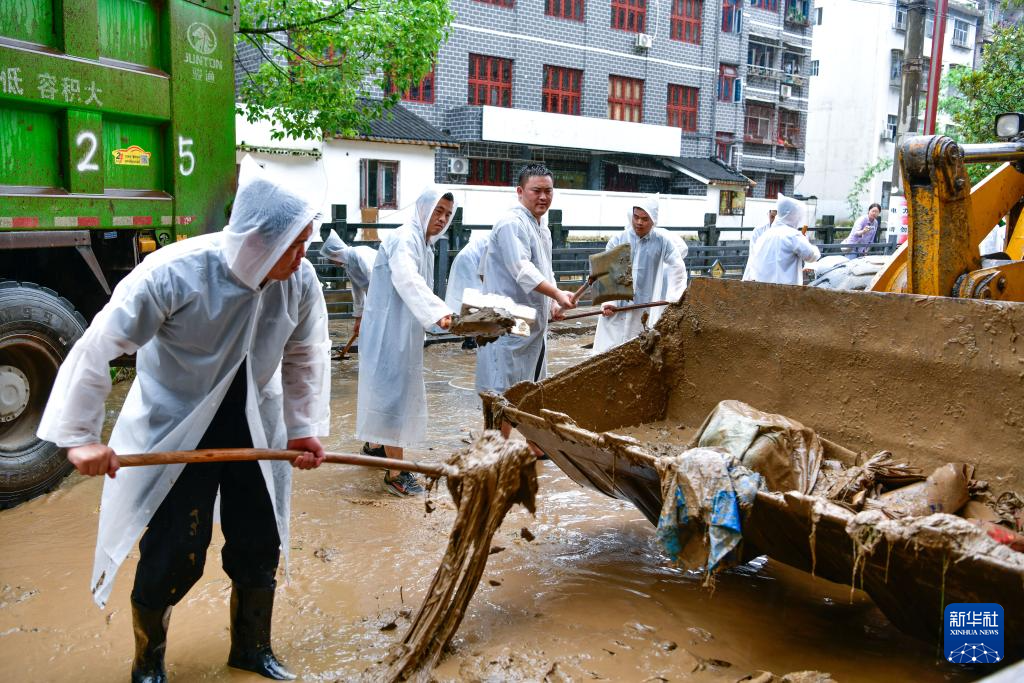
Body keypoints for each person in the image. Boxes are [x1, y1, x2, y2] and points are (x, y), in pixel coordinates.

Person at [36, 156, 331, 682]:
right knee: (176, 551)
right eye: (294, 242)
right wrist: (80, 436)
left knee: (259, 540)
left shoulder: (299, 278)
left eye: (306, 240)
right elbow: (99, 345)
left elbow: (306, 353)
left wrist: (304, 426)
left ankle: (251, 650)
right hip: (179, 427)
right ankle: (147, 665)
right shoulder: (175, 272)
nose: (303, 254)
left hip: (256, 428)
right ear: (256, 240)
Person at [355, 187, 457, 496]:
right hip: (389, 333)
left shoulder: (423, 243)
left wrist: (437, 313)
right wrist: (438, 311)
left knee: (385, 392)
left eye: (448, 215)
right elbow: (407, 278)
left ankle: (374, 448)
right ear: (424, 208)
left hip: (399, 330)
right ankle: (396, 474)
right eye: (438, 211)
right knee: (393, 397)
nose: (442, 219)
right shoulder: (405, 237)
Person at [475, 164, 576, 409]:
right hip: (508, 320)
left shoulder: (542, 227)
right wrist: (555, 293)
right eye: (536, 190)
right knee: (502, 390)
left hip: (530, 322)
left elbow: (544, 270)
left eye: (548, 191)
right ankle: (497, 446)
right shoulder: (512, 223)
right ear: (520, 191)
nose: (543, 197)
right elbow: (521, 268)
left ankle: (533, 447)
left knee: (531, 387)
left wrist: (553, 302)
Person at [592, 197, 688, 354]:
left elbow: (677, 266)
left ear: (653, 220)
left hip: (644, 305)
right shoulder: (618, 240)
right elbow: (606, 272)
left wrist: (675, 297)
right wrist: (608, 301)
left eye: (645, 219)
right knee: (608, 348)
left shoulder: (662, 241)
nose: (639, 222)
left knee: (638, 345)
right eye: (636, 217)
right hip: (617, 306)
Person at [742, 194, 821, 285]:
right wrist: (805, 241)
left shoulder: (765, 235)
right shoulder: (793, 235)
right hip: (785, 292)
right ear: (794, 216)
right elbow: (812, 256)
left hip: (763, 289)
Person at [319, 229, 377, 338]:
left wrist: (373, 308)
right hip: (376, 298)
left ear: (336, 254)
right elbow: (357, 291)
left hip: (386, 294)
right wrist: (358, 319)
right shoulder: (348, 265)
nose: (333, 263)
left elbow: (374, 280)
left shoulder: (359, 255)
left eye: (331, 260)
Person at [443, 232, 490, 350]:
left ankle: (471, 339)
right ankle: (471, 340)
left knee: (472, 302)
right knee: (475, 301)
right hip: (470, 262)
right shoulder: (499, 241)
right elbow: (484, 274)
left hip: (468, 260)